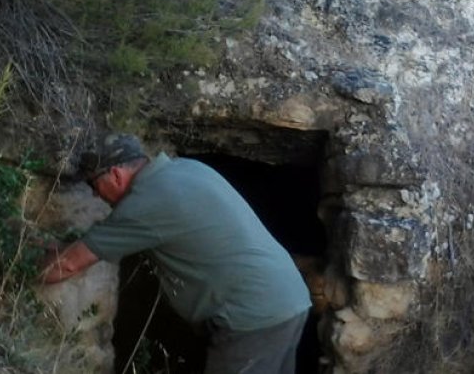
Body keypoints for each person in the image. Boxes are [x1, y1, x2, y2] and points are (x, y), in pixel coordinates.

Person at [39, 133, 311, 374]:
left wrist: (20, 268)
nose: (97, 196)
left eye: (93, 186)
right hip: (287, 300)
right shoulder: (186, 170)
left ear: (115, 175)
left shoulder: (144, 203)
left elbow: (69, 265)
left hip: (252, 319)